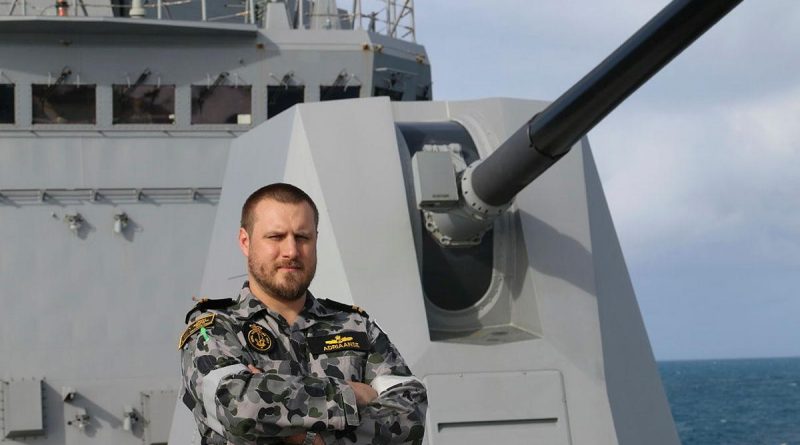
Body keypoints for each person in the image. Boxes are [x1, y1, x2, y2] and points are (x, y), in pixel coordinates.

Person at [179, 183, 427, 445]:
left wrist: (306, 437)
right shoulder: (214, 329)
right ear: (245, 241)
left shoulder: (355, 327)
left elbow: (410, 414)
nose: (291, 252)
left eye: (302, 237)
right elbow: (237, 407)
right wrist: (353, 395)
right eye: (276, 237)